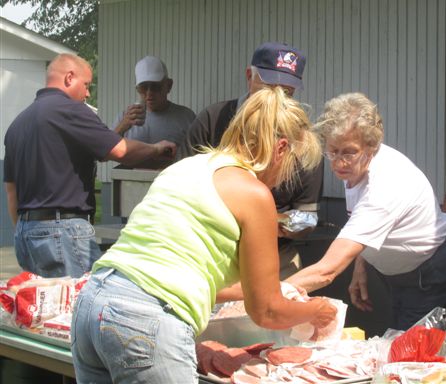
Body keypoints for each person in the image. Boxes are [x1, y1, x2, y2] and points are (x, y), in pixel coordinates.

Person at [71, 88, 337, 384]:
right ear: (281, 149)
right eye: (292, 165)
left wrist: (276, 288)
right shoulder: (253, 193)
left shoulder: (187, 167)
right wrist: (316, 309)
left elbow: (183, 273)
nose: (286, 176)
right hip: (146, 320)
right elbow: (267, 312)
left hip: (93, 303)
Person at [286, 92, 446, 331]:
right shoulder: (354, 165)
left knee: (410, 360)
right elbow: (364, 223)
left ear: (371, 146)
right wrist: (360, 266)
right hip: (399, 273)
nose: (339, 162)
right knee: (398, 343)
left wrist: (271, 296)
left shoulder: (385, 184)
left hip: (431, 274)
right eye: (333, 151)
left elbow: (327, 270)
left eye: (348, 152)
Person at [3, 54, 177, 279]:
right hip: (63, 231)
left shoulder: (18, 124)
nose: (87, 94)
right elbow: (118, 150)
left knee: (44, 309)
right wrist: (156, 149)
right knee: (82, 305)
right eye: (86, 85)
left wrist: (24, 231)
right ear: (69, 78)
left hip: (25, 234)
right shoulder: (71, 110)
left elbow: (11, 192)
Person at [178, 42, 323, 278]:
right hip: (207, 250)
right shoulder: (213, 119)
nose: (276, 97)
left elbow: (308, 216)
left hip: (276, 255)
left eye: (286, 91)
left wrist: (269, 223)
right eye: (268, 86)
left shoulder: (303, 137)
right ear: (249, 76)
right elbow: (181, 189)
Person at [113, 55, 195, 154]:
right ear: (137, 88)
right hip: (129, 170)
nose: (149, 93)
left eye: (155, 87)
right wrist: (123, 125)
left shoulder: (186, 117)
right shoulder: (125, 117)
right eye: (143, 87)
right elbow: (105, 149)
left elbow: (200, 156)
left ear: (168, 85)